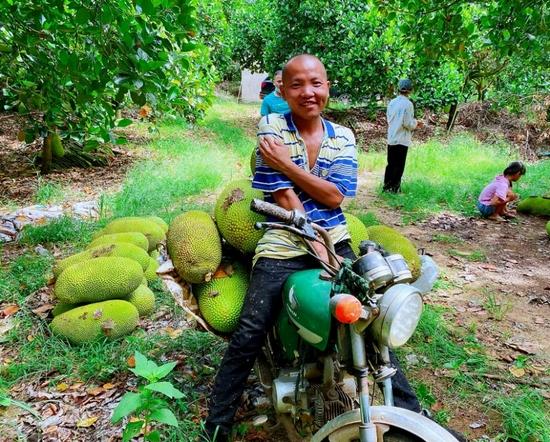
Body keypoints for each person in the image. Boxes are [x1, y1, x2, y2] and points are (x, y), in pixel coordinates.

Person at [202, 55, 463, 442]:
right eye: (297, 85)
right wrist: (313, 239)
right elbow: (281, 193)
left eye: (316, 83)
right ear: (283, 91)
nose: (307, 92)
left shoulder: (343, 136)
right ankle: (216, 426)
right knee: (250, 331)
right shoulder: (271, 123)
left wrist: (289, 166)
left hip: (336, 238)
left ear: (327, 86)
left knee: (373, 319)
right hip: (282, 241)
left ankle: (412, 415)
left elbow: (335, 196)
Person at [383, 78, 423, 193]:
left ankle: (386, 186)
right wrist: (416, 124)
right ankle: (395, 188)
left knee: (390, 163)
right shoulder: (408, 104)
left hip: (391, 136)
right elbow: (407, 123)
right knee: (399, 164)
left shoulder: (392, 102)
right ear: (411, 90)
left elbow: (389, 118)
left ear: (398, 89)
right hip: (402, 138)